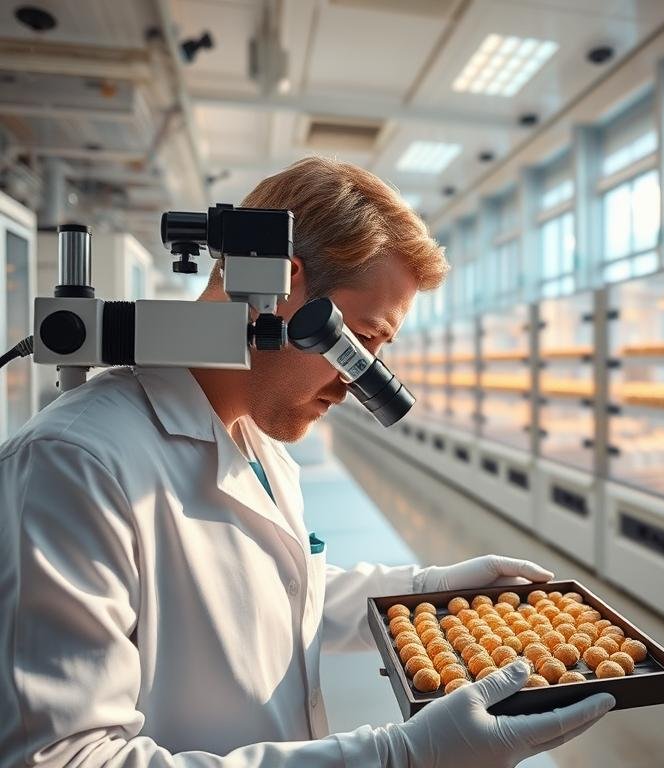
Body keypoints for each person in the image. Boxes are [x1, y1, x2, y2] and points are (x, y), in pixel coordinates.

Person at [0, 157, 615, 767]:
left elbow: (277, 598)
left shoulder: (257, 438)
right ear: (279, 285)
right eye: (361, 341)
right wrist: (396, 759)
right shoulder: (74, 465)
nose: (356, 381)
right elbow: (61, 758)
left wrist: (428, 591)